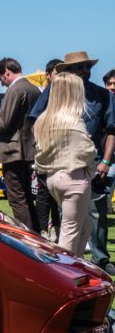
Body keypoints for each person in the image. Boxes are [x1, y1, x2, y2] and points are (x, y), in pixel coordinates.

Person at [28, 51, 115, 272]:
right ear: (69, 72)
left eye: (87, 66)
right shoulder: (56, 94)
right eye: (79, 67)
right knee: (71, 227)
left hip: (78, 169)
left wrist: (105, 160)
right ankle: (62, 275)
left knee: (86, 224)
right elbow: (35, 120)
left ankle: (87, 265)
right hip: (76, 171)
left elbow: (111, 129)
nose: (84, 71)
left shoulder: (102, 95)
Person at [33, 73, 94, 256]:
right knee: (70, 231)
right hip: (73, 178)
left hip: (53, 177)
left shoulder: (43, 120)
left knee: (84, 228)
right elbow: (88, 152)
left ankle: (77, 265)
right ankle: (65, 276)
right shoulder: (74, 122)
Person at [0, 58, 39, 230]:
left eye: (1, 79)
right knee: (26, 196)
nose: (2, 84)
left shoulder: (15, 90)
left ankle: (28, 237)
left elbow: (4, 124)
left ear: (7, 72)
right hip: (28, 149)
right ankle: (36, 233)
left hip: (13, 151)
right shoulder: (34, 89)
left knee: (17, 199)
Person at [33, 59, 64, 241]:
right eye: (57, 72)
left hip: (60, 152)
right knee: (45, 193)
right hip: (47, 151)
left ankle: (56, 229)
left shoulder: (61, 93)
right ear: (49, 74)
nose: (61, 76)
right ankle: (43, 230)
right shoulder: (46, 94)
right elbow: (35, 121)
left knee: (56, 194)